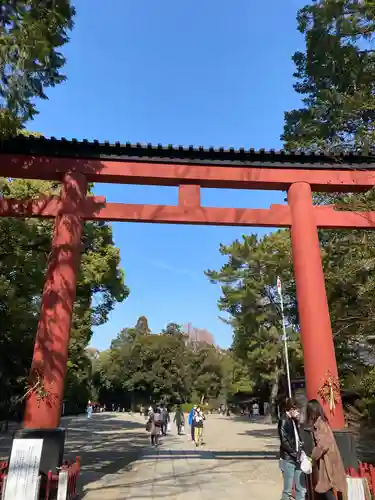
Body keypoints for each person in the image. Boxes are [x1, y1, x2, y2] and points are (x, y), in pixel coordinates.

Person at [306, 399, 347, 500]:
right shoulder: (321, 423)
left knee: (326, 488)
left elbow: (322, 445)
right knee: (324, 489)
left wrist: (311, 457)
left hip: (327, 462)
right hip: (326, 461)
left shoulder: (321, 425)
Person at [278, 399, 306, 500]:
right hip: (288, 458)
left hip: (298, 457)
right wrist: (294, 453)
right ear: (291, 409)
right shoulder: (283, 420)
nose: (298, 412)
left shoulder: (294, 421)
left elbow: (297, 437)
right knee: (287, 490)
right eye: (297, 410)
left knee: (301, 488)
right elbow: (284, 441)